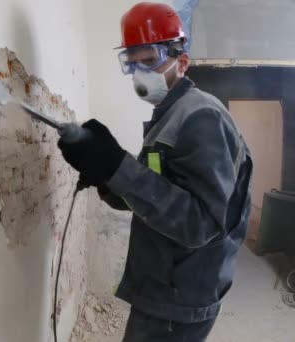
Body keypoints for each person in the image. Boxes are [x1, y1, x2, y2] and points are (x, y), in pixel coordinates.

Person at [57, 2, 253, 341]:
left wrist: (115, 164)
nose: (140, 74)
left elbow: (199, 223)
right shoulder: (170, 115)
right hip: (166, 282)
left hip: (182, 292)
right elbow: (156, 195)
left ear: (182, 61)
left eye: (149, 61)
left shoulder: (200, 118)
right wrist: (106, 176)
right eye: (131, 64)